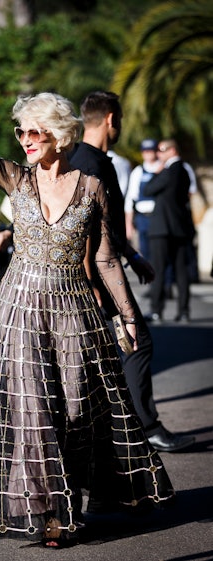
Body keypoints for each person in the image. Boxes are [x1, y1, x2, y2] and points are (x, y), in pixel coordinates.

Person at [0, 58, 175, 548]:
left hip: (74, 307)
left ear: (59, 136)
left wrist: (129, 316)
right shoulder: (15, 178)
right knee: (34, 413)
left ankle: (82, 494)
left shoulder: (90, 186)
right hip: (20, 307)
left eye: (35, 133)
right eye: (21, 133)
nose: (25, 141)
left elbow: (107, 260)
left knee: (75, 410)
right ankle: (52, 514)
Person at [67, 91, 195, 453]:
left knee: (116, 351)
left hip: (105, 270)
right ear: (110, 119)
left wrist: (133, 255)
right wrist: (93, 283)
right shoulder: (89, 164)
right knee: (137, 343)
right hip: (95, 276)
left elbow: (107, 225)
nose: (120, 125)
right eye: (119, 119)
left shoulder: (93, 160)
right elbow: (84, 231)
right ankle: (145, 427)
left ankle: (123, 429)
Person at [143, 139, 195, 323]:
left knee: (158, 269)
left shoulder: (168, 171)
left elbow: (148, 189)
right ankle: (184, 310)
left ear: (172, 150)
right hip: (180, 227)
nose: (158, 154)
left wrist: (157, 172)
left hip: (162, 227)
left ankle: (156, 310)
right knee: (182, 271)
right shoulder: (186, 171)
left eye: (162, 150)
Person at [125, 138, 160, 262]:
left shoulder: (163, 168)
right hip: (142, 218)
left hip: (159, 216)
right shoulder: (138, 171)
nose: (148, 154)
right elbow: (130, 199)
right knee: (145, 251)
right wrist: (128, 223)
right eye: (145, 151)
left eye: (151, 151)